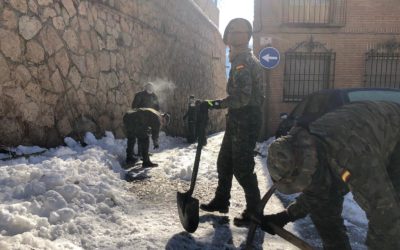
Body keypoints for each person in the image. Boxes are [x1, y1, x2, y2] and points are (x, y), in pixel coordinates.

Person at [260, 101, 400, 250]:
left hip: (393, 135)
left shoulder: (354, 158)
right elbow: (316, 193)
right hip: (353, 136)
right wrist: (286, 216)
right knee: (322, 208)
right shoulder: (303, 149)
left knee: (391, 214)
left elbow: (385, 216)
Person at [199, 18, 265, 227]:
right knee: (224, 162)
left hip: (246, 119)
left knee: (243, 168)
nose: (236, 35)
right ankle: (221, 200)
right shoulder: (240, 60)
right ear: (227, 37)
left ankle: (255, 211)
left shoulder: (243, 63)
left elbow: (242, 98)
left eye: (241, 31)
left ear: (248, 36)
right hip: (239, 119)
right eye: (232, 31)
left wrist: (213, 104)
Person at [131, 82, 160, 157]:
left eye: (151, 87)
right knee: (142, 135)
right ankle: (141, 153)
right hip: (140, 118)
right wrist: (138, 114)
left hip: (150, 118)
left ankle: (154, 140)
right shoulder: (140, 95)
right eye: (148, 87)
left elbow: (157, 107)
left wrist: (157, 114)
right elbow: (134, 106)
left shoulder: (154, 96)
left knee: (150, 131)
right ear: (145, 87)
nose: (150, 89)